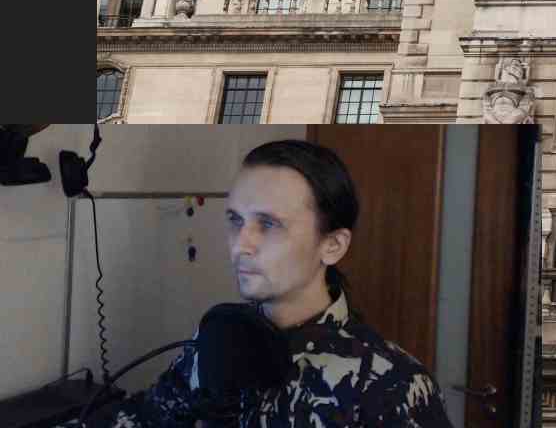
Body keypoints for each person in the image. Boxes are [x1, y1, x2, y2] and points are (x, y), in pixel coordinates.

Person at [78, 139, 453, 426]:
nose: (240, 245)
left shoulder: (393, 384)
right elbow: (148, 416)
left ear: (333, 245)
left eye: (269, 224)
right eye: (235, 220)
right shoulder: (221, 337)